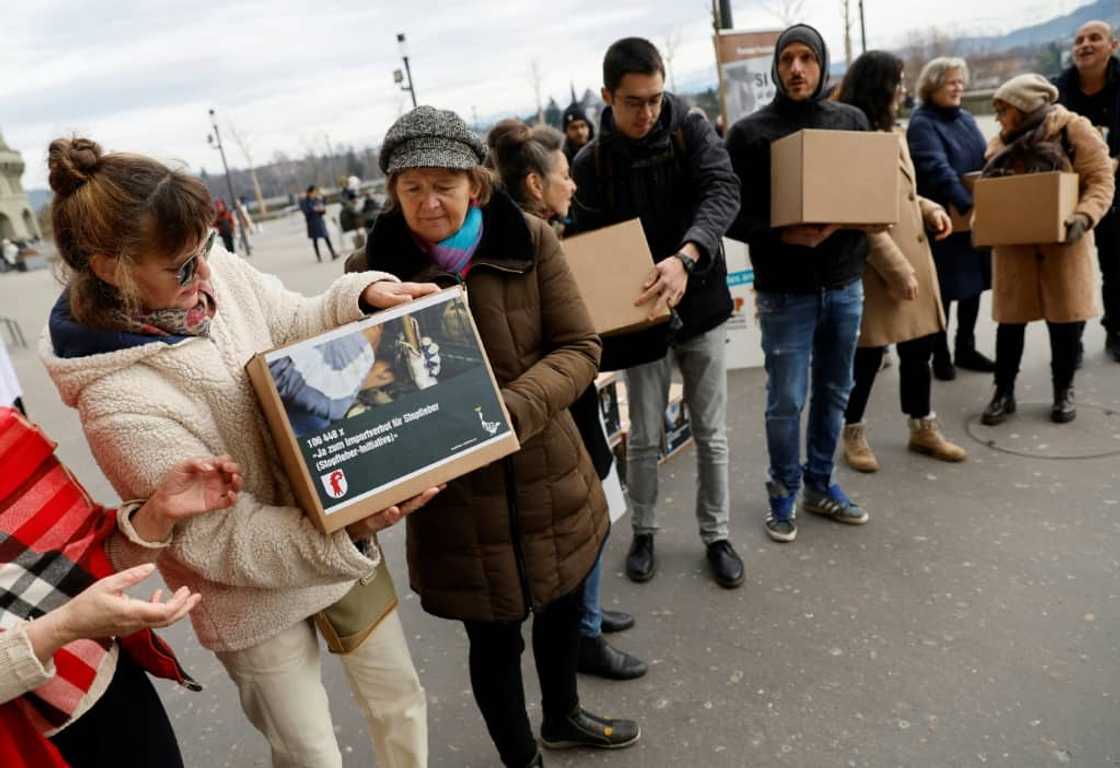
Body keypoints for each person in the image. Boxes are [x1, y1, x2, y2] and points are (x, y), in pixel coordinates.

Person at [39, 137, 439, 768]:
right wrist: (341, 531)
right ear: (111, 267)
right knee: (310, 753)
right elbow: (217, 539)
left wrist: (357, 301)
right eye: (180, 266)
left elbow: (291, 321)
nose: (203, 274)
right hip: (249, 596)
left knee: (401, 702)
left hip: (334, 528)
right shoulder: (113, 397)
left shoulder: (209, 269)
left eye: (205, 249)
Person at [349, 105, 640, 767]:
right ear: (393, 191)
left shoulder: (528, 239)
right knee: (493, 638)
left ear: (475, 186)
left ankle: (563, 715)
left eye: (443, 186)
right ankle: (521, 757)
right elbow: (363, 390)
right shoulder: (371, 272)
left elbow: (579, 346)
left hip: (547, 467)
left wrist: (511, 407)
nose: (428, 202)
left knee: (563, 606)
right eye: (412, 187)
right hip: (456, 498)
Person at [568, 37, 745, 589]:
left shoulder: (691, 130)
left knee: (711, 432)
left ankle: (716, 534)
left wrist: (687, 257)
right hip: (639, 319)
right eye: (633, 102)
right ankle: (643, 532)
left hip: (702, 306)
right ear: (607, 97)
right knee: (643, 434)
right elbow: (586, 242)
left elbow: (723, 192)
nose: (647, 113)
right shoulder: (590, 161)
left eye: (654, 99)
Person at [486, 118, 647, 682]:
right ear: (534, 184)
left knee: (594, 509)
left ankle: (591, 618)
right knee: (587, 515)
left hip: (556, 401)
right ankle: (584, 634)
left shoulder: (526, 233)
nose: (573, 185)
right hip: (554, 407)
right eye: (563, 176)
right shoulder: (532, 241)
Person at [1, 405, 241, 768]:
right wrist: (66, 626)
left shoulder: (8, 435)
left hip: (107, 683)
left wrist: (160, 513)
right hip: (22, 739)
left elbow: (90, 563)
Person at [725, 23, 872, 544]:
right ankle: (783, 490)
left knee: (836, 390)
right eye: (787, 58)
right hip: (785, 290)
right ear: (776, 68)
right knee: (786, 398)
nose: (796, 68)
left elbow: (869, 195)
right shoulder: (749, 134)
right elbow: (730, 214)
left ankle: (820, 483)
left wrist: (848, 220)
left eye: (807, 58)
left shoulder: (851, 121)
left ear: (822, 64)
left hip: (845, 282)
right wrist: (780, 232)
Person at [833, 51, 968, 472]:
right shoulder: (852, 135)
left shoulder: (892, 130)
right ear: (879, 86)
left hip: (913, 249)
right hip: (879, 265)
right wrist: (897, 269)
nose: (903, 89)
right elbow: (857, 212)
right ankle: (851, 431)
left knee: (918, 349)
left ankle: (922, 426)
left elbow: (902, 192)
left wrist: (928, 209)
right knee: (868, 355)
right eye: (898, 81)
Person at [978, 75, 1114, 425]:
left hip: (1064, 246)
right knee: (1009, 325)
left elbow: (1101, 178)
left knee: (1064, 325)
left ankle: (1063, 390)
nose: (997, 118)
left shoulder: (1073, 130)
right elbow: (988, 188)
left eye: (1003, 109)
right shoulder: (999, 144)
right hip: (1015, 249)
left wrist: (1085, 215)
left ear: (1024, 107)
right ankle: (1003, 392)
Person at [907, 57, 996, 381]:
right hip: (945, 220)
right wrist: (966, 204)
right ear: (932, 86)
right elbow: (935, 167)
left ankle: (966, 347)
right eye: (951, 81)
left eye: (961, 81)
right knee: (943, 291)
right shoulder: (921, 122)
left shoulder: (966, 118)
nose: (959, 86)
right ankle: (940, 353)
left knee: (973, 288)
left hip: (972, 216)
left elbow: (985, 158)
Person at [1054, 20, 1120, 363]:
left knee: (1116, 265)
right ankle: (1072, 340)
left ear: (1113, 45)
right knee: (1071, 269)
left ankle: (1116, 331)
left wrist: (1108, 167)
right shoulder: (1057, 90)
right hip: (1068, 190)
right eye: (1079, 39)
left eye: (1094, 38)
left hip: (1115, 189)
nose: (1085, 44)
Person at [301, 185, 337, 261]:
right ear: (310, 192)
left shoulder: (317, 199)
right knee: (315, 240)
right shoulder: (305, 201)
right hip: (312, 222)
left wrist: (321, 207)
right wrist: (315, 209)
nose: (315, 193)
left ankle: (333, 253)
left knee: (326, 237)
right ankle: (318, 256)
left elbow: (323, 206)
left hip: (320, 221)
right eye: (314, 192)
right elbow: (305, 211)